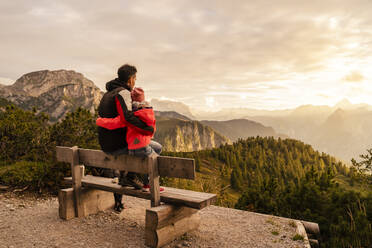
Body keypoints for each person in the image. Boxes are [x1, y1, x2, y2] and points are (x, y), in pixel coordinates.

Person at [97, 64, 154, 211]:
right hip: (117, 144)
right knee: (152, 148)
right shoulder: (123, 93)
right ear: (130, 79)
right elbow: (127, 117)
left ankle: (125, 187)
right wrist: (147, 129)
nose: (135, 81)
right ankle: (146, 183)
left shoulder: (107, 93)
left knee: (147, 146)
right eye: (135, 78)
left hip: (106, 143)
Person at [96, 87, 163, 192]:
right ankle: (148, 184)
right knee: (156, 156)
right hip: (143, 142)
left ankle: (148, 184)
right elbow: (152, 126)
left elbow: (113, 123)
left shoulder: (130, 115)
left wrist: (100, 121)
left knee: (153, 160)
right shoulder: (148, 111)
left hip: (136, 145)